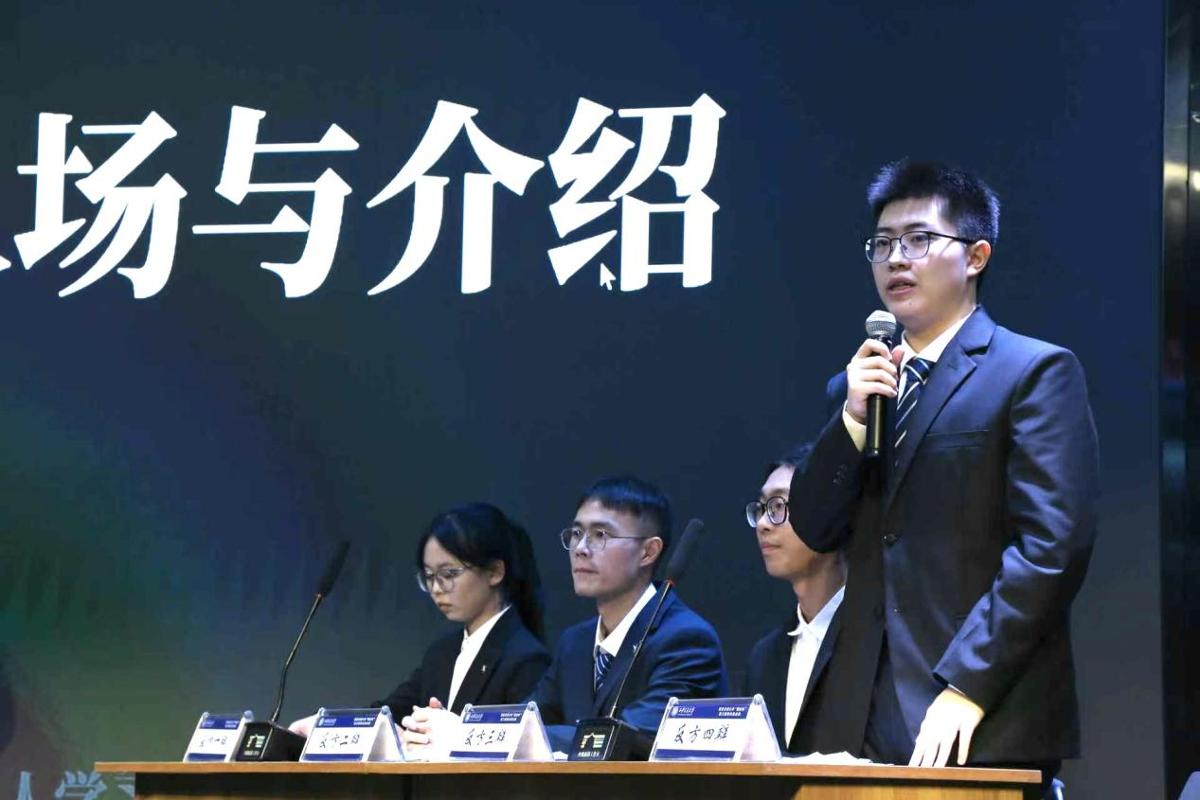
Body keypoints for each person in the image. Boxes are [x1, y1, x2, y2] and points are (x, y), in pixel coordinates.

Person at [788, 160, 1098, 793]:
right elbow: (814, 527)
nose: (896, 260)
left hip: (977, 713)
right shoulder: (858, 388)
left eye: (919, 240)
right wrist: (850, 421)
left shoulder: (1032, 372)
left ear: (976, 256)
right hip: (858, 722)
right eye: (882, 244)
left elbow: (1051, 548)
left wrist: (969, 684)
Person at [290, 502, 550, 741]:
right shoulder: (442, 654)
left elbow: (525, 750)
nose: (436, 588)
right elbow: (389, 715)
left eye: (449, 574)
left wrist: (457, 735)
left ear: (495, 572)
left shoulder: (526, 658)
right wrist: (326, 725)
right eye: (429, 576)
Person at [742, 443, 848, 755]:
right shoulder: (765, 656)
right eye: (762, 508)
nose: (763, 524)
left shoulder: (881, 641)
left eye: (779, 505)